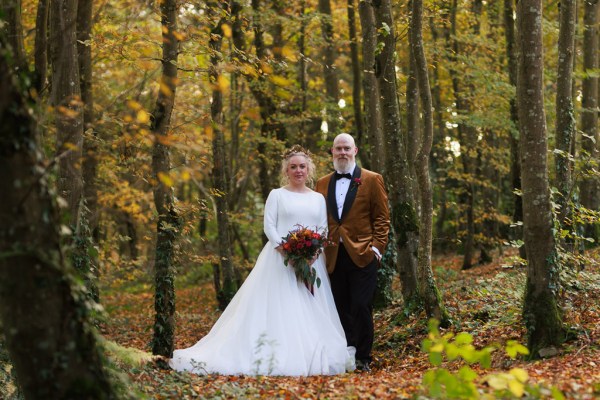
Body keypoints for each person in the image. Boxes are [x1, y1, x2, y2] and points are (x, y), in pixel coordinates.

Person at [169, 145, 355, 376]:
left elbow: (323, 228)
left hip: (311, 262)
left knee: (310, 306)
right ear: (286, 171)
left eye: (302, 166)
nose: (298, 171)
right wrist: (289, 253)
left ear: (310, 170)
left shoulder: (318, 198)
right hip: (280, 260)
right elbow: (270, 227)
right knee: (280, 306)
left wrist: (312, 255)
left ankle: (311, 353)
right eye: (293, 167)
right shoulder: (277, 195)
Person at [315, 133, 390, 372]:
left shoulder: (371, 179)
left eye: (347, 148)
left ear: (355, 151)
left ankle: (364, 358)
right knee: (340, 307)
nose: (342, 153)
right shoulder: (322, 183)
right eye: (338, 149)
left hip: (363, 254)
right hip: (333, 255)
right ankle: (347, 353)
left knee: (361, 305)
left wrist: (376, 249)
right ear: (332, 152)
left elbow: (382, 218)